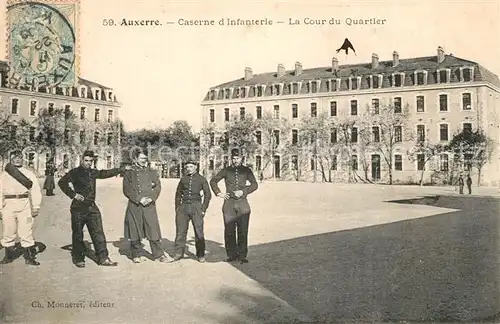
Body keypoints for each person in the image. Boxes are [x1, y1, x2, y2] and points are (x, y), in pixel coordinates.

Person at [58, 150, 129, 268]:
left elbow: (105, 173)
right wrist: (73, 195)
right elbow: (62, 182)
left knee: (98, 233)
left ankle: (103, 258)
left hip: (92, 207)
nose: (88, 163)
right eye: (86, 161)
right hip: (78, 208)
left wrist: (121, 169)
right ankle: (78, 258)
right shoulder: (74, 172)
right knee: (78, 234)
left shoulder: (93, 172)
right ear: (81, 160)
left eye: (90, 161)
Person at [209, 149, 258, 264]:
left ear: (242, 159)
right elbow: (213, 181)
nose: (235, 160)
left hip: (242, 203)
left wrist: (243, 191)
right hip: (229, 203)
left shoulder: (246, 170)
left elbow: (254, 185)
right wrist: (219, 193)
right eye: (234, 158)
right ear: (231, 158)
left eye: (238, 158)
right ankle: (231, 255)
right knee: (229, 230)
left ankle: (242, 256)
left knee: (243, 230)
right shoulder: (226, 170)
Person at [122, 151, 170, 263]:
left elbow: (158, 186)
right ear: (135, 159)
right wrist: (139, 199)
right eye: (141, 158)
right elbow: (126, 189)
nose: (144, 161)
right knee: (135, 229)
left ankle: (159, 255)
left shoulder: (152, 171)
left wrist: (151, 198)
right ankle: (136, 254)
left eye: (145, 159)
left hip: (149, 205)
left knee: (153, 228)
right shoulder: (129, 172)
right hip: (135, 205)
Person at [0, 150, 43, 266]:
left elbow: (35, 190)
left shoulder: (28, 174)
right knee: (8, 230)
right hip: (8, 205)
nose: (17, 159)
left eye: (19, 157)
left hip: (24, 204)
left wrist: (36, 206)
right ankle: (8, 256)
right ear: (10, 159)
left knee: (26, 230)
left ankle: (29, 257)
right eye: (14, 157)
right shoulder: (4, 174)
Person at [172, 160, 212, 263]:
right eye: (187, 167)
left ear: (195, 167)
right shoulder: (183, 179)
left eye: (191, 166)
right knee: (180, 231)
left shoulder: (201, 179)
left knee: (199, 232)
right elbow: (178, 194)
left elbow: (208, 195)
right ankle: (178, 253)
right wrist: (177, 208)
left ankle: (200, 254)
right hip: (183, 207)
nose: (188, 168)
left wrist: (203, 209)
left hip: (196, 207)